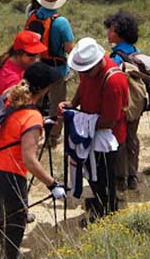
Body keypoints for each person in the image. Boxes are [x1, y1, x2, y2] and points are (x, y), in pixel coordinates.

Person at [0, 63, 66, 259]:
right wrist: (52, 184)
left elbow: (14, 122)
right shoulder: (32, 117)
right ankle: (9, 255)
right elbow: (30, 160)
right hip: (8, 171)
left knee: (7, 208)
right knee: (16, 219)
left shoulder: (12, 95)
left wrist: (41, 122)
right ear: (44, 89)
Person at [59, 38, 129, 221]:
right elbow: (84, 86)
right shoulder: (88, 69)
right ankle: (99, 202)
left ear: (98, 61)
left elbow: (109, 121)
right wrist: (73, 105)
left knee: (104, 178)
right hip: (91, 133)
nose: (85, 74)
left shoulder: (114, 81)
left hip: (107, 139)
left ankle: (106, 212)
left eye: (88, 71)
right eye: (82, 71)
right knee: (92, 174)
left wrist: (77, 120)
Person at [26, 0, 75, 141]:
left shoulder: (33, 16)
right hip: (57, 68)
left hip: (38, 65)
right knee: (57, 104)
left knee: (36, 100)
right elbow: (69, 48)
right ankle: (53, 136)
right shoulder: (61, 22)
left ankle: (33, 129)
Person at [104, 10, 142, 191]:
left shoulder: (116, 57)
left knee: (120, 138)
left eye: (110, 30)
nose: (108, 33)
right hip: (137, 103)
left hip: (122, 105)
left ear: (119, 34)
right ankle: (133, 175)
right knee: (132, 138)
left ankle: (120, 177)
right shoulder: (135, 52)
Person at [0, 31, 48, 96]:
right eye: (31, 54)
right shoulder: (14, 81)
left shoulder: (9, 59)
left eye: (37, 53)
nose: (36, 58)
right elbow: (15, 105)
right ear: (18, 53)